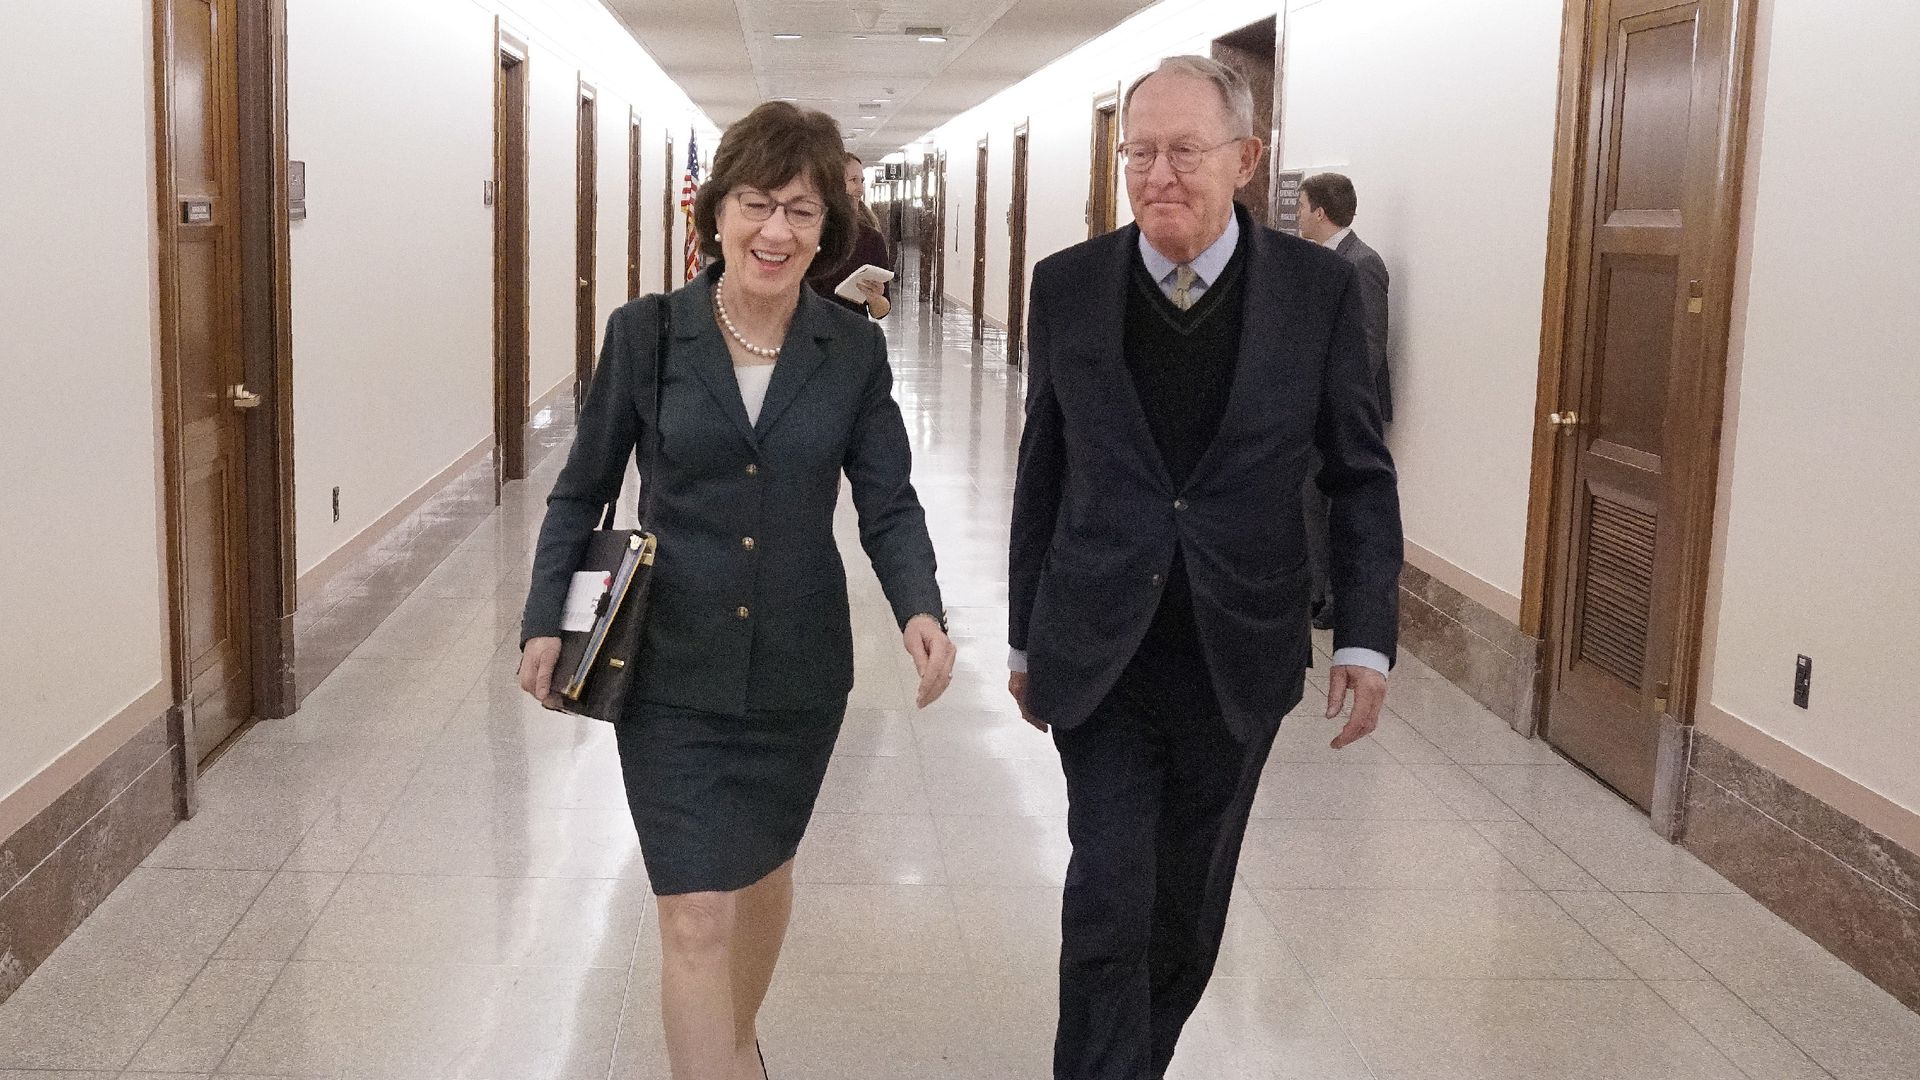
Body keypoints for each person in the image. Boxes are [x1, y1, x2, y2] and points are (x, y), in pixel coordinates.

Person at [517, 100, 957, 1080]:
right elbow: (583, 486)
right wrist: (547, 615)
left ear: (826, 230)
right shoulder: (648, 335)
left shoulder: (852, 349)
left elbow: (887, 500)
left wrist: (920, 606)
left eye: (802, 212)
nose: (776, 232)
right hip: (669, 662)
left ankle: (738, 1045)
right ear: (714, 215)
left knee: (760, 879)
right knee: (695, 912)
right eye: (757, 205)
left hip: (800, 670)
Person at [1006, 56, 1402, 1080]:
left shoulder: (1317, 293)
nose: (1158, 174)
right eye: (1139, 152)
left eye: (1184, 151)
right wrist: (1022, 633)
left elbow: (1359, 473)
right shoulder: (1069, 285)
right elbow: (1042, 465)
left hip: (1237, 654)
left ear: (1246, 160)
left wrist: (1364, 633)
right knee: (1106, 898)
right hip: (1101, 646)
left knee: (1184, 909)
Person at [1298, 171, 1392, 629]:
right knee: (1310, 500)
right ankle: (1317, 590)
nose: (1297, 215)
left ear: (1319, 211)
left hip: (1347, 414)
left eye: (1301, 206)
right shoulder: (1320, 261)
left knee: (1338, 508)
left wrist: (1334, 405)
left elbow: (1369, 346)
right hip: (1318, 410)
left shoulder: (1362, 263)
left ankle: (1335, 597)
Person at [807, 152, 893, 318]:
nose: (860, 189)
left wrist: (874, 298)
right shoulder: (806, 232)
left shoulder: (871, 240)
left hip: (852, 336)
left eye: (862, 181)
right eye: (853, 180)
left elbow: (881, 311)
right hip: (805, 335)